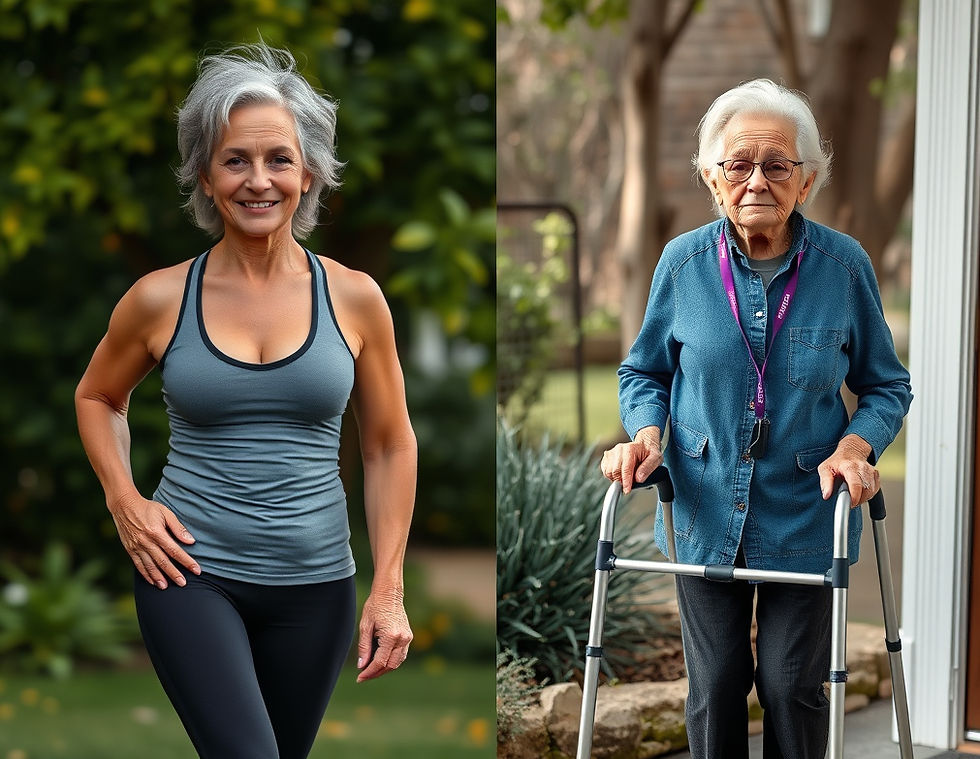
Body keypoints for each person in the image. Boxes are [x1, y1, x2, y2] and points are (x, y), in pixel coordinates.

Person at [75, 43, 416, 759]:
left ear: (309, 171)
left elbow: (389, 443)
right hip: (191, 575)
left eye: (278, 160)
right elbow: (98, 396)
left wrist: (388, 587)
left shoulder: (354, 297)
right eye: (235, 160)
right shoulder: (160, 297)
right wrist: (124, 500)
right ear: (205, 172)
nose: (258, 181)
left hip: (318, 585)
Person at [600, 79, 912, 758]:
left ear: (807, 181)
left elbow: (887, 385)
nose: (756, 180)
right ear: (713, 178)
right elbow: (643, 371)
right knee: (715, 685)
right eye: (738, 164)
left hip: (807, 510)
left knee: (791, 685)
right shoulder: (682, 263)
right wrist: (646, 433)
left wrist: (857, 446)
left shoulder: (843, 266)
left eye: (777, 164)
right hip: (702, 508)